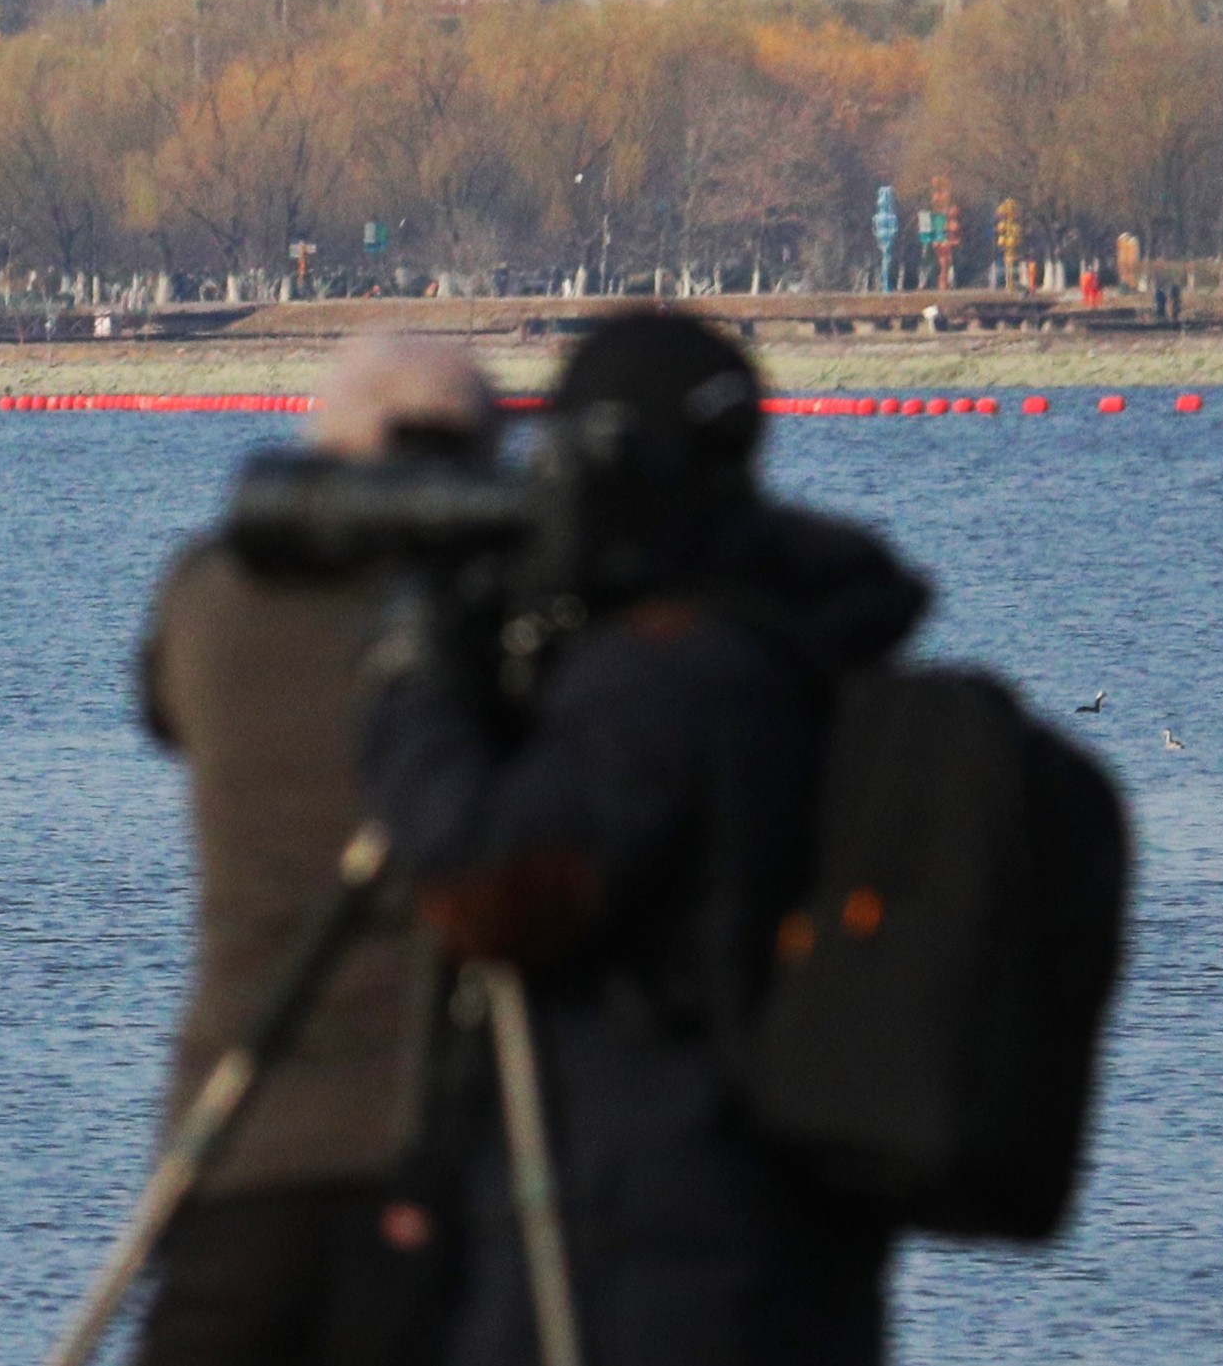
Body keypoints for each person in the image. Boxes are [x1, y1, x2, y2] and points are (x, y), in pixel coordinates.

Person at [361, 309, 926, 1366]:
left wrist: (419, 686)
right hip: (802, 1252)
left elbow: (486, 884)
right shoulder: (813, 640)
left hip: (643, 1253)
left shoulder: (669, 678)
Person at [130, 331, 500, 1365]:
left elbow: (158, 703)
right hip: (448, 1158)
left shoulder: (214, 595)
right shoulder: (508, 611)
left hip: (241, 1146)